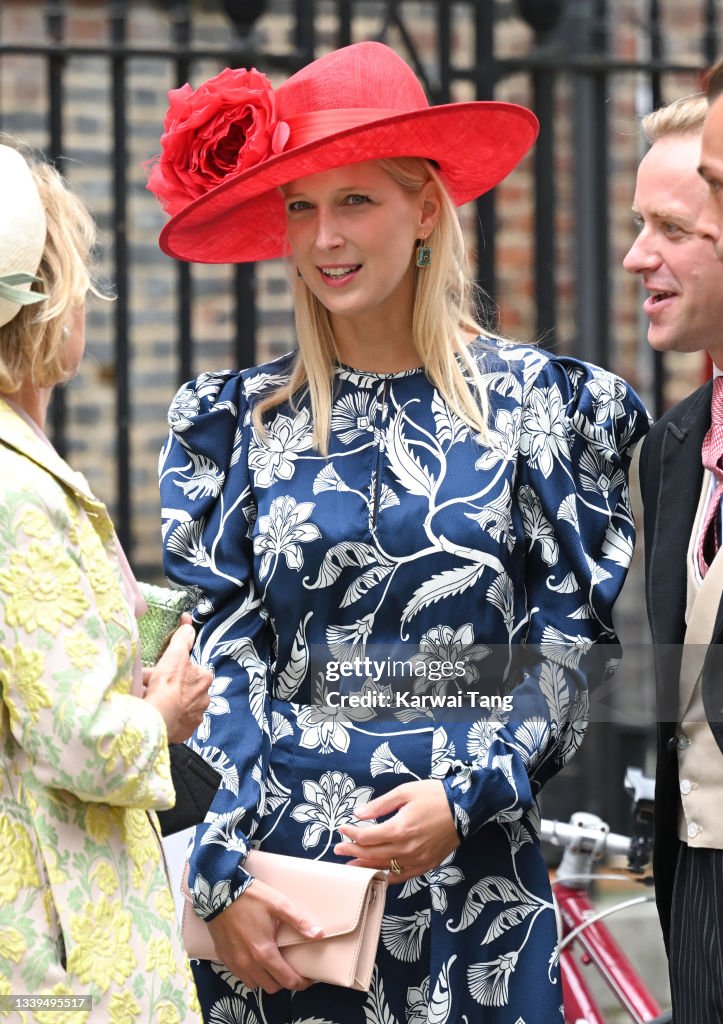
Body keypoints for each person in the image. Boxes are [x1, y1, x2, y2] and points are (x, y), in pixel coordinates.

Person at [149, 41, 649, 1023]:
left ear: (425, 209)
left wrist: (464, 795)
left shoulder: (542, 410)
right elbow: (221, 657)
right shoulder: (232, 427)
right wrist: (219, 873)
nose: (325, 235)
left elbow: (571, 645)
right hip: (281, 906)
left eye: (355, 201)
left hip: (476, 899)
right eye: (301, 205)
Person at [0, 134, 212, 1020]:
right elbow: (75, 736)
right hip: (55, 938)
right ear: (44, 296)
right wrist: (163, 714)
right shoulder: (19, 490)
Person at [625, 90, 723, 1022]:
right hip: (696, 892)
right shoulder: (670, 448)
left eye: (670, 227)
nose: (636, 256)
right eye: (635, 225)